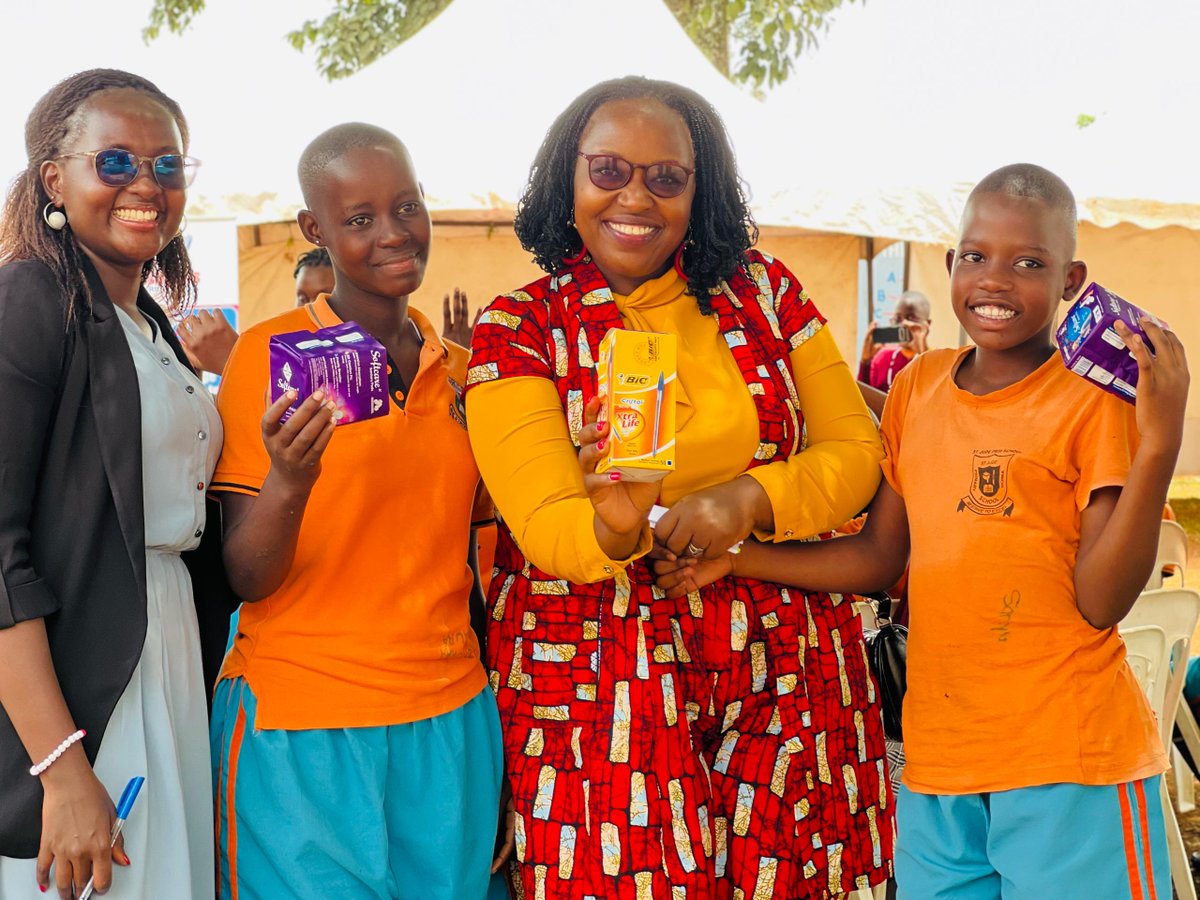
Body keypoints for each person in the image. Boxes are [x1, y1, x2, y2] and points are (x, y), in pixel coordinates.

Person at [654, 163, 1189, 899]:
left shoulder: (1091, 402)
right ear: (949, 263)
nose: (995, 280)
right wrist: (740, 561)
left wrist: (1159, 444)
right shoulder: (917, 387)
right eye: (976, 256)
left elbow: (1102, 602)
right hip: (939, 764)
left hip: (1071, 760)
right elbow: (880, 558)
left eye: (1029, 263)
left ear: (1072, 281)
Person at [466, 76, 893, 898]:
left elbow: (858, 451)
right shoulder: (520, 328)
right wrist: (616, 524)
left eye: (666, 177)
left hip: (788, 669)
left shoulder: (766, 293)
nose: (636, 197)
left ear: (701, 191)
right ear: (568, 177)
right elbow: (547, 527)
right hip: (601, 682)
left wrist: (747, 501)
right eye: (609, 170)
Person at [209, 122, 505, 900]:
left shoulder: (462, 373)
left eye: (406, 207)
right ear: (315, 228)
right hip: (305, 723)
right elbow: (245, 574)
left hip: (449, 714)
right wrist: (290, 480)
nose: (394, 234)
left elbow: (473, 542)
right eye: (360, 218)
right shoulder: (269, 356)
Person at [0, 69, 232, 899]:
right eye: (116, 162)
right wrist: (62, 769)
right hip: (79, 684)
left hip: (168, 651)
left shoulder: (152, 326)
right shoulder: (31, 298)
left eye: (168, 165)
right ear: (55, 180)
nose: (146, 184)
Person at [857, 291, 931, 392]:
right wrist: (865, 363)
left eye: (911, 318)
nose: (903, 324)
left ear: (927, 323)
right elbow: (863, 397)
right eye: (897, 319)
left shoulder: (936, 360)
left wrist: (922, 352)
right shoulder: (882, 357)